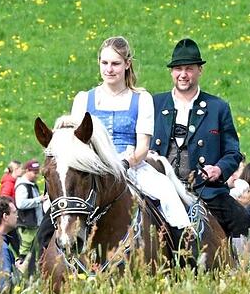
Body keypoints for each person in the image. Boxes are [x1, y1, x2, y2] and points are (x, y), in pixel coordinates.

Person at [70, 36, 193, 236]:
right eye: (105, 63)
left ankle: (183, 244)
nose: (109, 69)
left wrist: (126, 164)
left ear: (127, 64)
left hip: (130, 165)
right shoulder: (84, 99)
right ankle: (39, 250)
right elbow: (76, 144)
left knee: (167, 192)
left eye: (115, 64)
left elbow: (143, 147)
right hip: (93, 169)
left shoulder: (141, 98)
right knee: (57, 205)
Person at [152, 39, 250, 239]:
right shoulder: (154, 103)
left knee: (245, 224)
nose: (183, 74)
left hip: (206, 191)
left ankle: (238, 260)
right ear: (171, 72)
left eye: (189, 69)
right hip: (159, 188)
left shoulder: (218, 107)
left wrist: (218, 169)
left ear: (200, 70)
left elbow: (233, 153)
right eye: (178, 69)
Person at [14, 159, 45, 255]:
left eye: (37, 173)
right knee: (25, 249)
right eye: (34, 173)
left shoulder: (32, 185)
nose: (37, 175)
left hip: (34, 224)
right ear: (27, 171)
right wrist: (38, 200)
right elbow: (20, 204)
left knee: (35, 250)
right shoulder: (23, 186)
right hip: (26, 225)